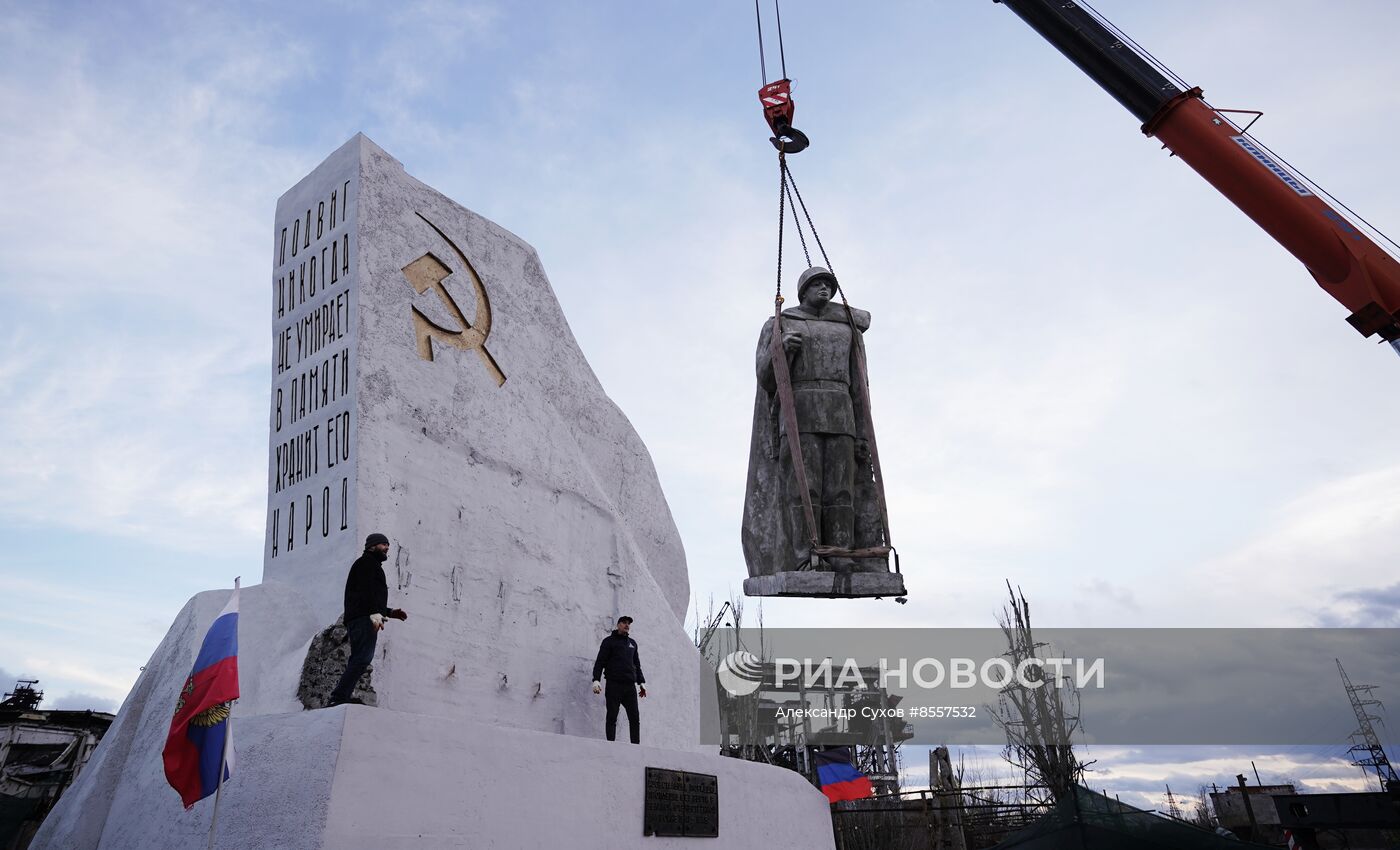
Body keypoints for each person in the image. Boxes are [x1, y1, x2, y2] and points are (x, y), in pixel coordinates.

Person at [742, 266, 885, 576]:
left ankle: (841, 553)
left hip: (840, 413)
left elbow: (860, 385)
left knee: (841, 490)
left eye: (828, 285)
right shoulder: (781, 323)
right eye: (816, 284)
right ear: (802, 291)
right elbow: (766, 379)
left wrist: (862, 433)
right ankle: (806, 555)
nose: (824, 288)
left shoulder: (846, 328)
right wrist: (781, 351)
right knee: (804, 490)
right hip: (799, 413)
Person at [327, 532, 407, 706]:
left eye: (387, 545)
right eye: (383, 544)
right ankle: (338, 697)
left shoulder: (369, 565)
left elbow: (369, 597)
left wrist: (390, 612)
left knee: (359, 658)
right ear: (372, 546)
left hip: (362, 616)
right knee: (362, 658)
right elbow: (367, 594)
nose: (387, 548)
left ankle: (341, 696)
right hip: (364, 618)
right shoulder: (367, 564)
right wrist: (375, 614)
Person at [591, 616, 646, 744]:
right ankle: (610, 745)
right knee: (612, 716)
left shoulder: (632, 643)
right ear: (618, 625)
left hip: (629, 687)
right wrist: (596, 679)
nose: (627, 625)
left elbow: (636, 664)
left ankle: (636, 746)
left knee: (634, 718)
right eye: (624, 623)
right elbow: (600, 662)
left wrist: (641, 682)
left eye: (628, 624)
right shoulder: (608, 642)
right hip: (613, 684)